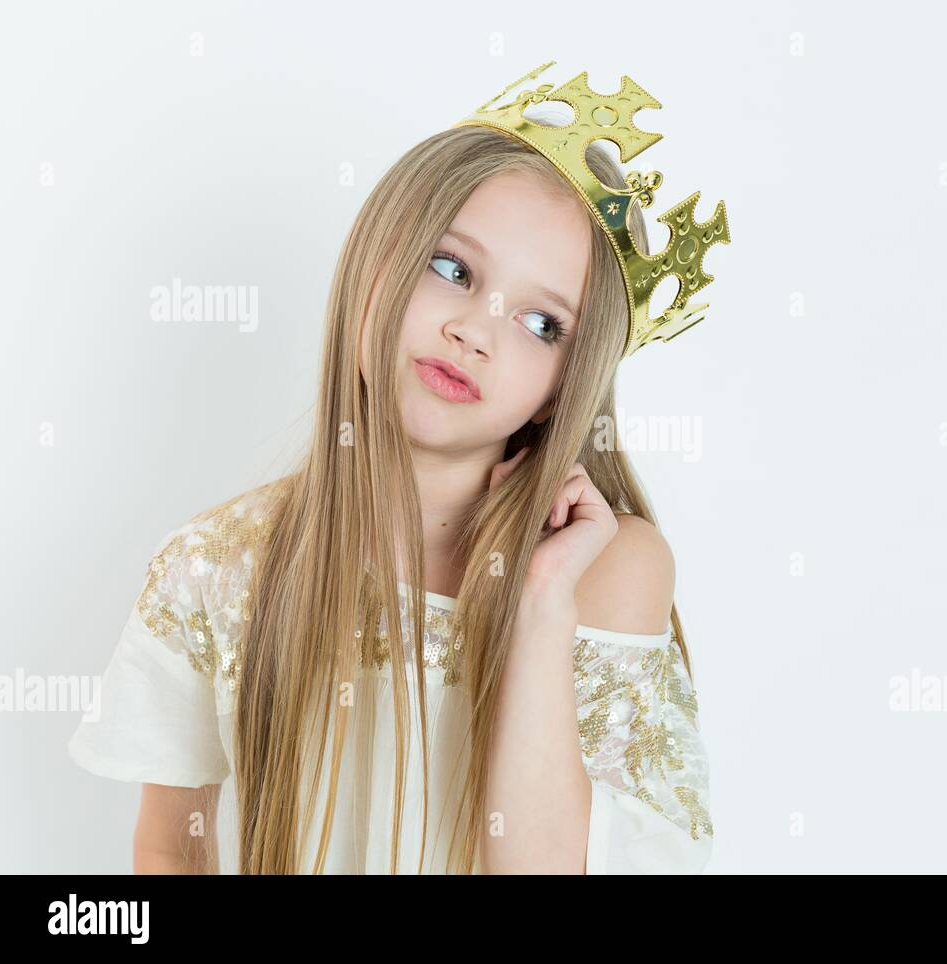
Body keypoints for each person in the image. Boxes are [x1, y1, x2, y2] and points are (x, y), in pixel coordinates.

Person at [67, 61, 730, 874]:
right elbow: (170, 848)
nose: (474, 331)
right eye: (453, 270)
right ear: (373, 266)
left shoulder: (604, 570)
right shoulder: (220, 565)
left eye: (539, 322)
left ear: (564, 389)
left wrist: (540, 605)